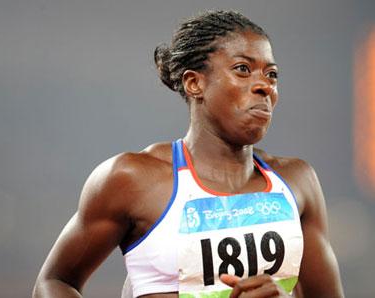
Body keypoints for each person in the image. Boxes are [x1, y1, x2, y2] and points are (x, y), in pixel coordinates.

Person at [33, 10, 344, 298]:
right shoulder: (132, 178)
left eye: (271, 74)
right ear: (195, 83)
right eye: (243, 69)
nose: (264, 86)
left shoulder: (297, 183)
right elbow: (54, 282)